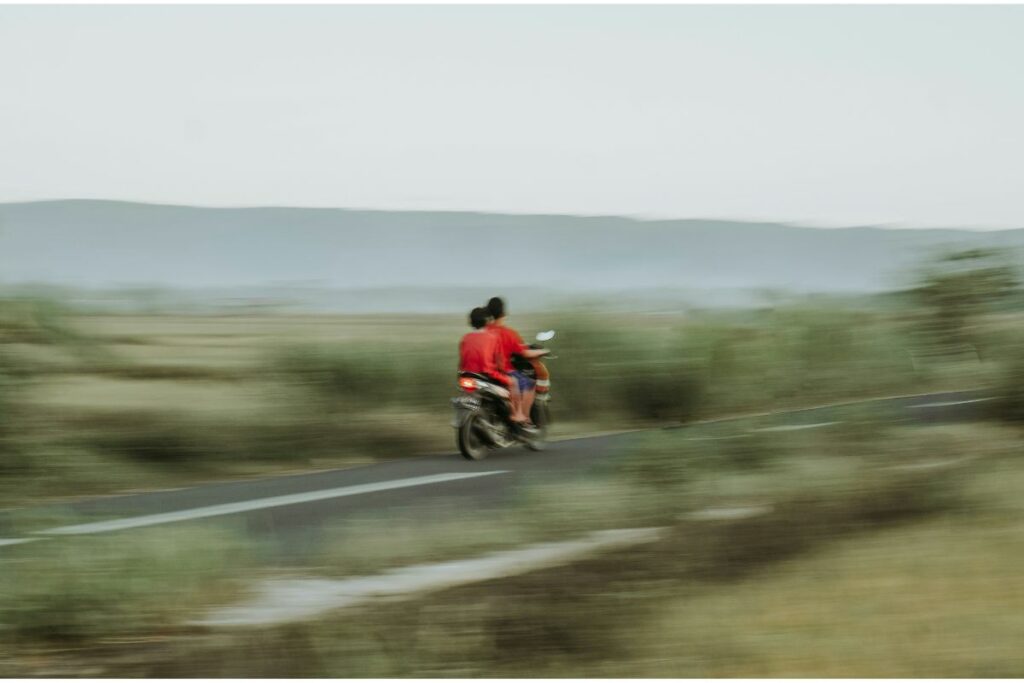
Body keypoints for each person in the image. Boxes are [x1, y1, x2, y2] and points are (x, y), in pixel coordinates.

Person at [485, 296, 549, 425]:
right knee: (530, 383)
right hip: (503, 372)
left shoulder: (484, 331)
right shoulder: (509, 333)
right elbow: (524, 352)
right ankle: (524, 419)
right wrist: (543, 351)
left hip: (484, 372)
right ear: (503, 313)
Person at [458, 307, 511, 393]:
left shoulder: (465, 338)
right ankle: (518, 407)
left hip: (468, 377)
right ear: (486, 321)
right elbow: (500, 363)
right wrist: (505, 374)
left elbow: (462, 362)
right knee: (514, 383)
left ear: (471, 322)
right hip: (488, 376)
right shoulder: (493, 338)